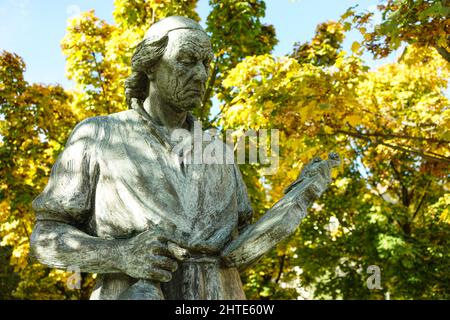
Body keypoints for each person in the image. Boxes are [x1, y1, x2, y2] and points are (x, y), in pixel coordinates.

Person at [30, 16, 337, 300]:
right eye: (187, 61)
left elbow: (237, 252)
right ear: (150, 66)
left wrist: (300, 198)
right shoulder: (98, 134)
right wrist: (121, 254)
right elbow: (45, 238)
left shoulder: (218, 151)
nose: (201, 74)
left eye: (206, 63)